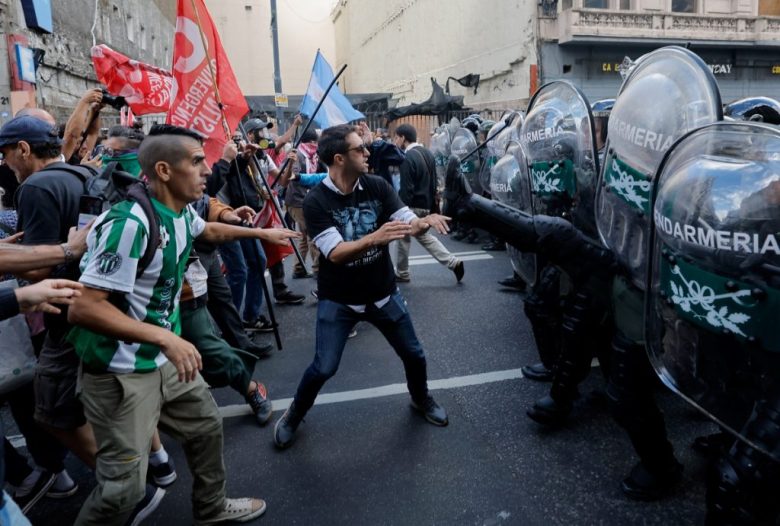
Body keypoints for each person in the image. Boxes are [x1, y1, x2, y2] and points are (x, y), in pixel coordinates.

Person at [67, 124, 299, 525]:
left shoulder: (177, 213)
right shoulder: (129, 224)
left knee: (207, 426)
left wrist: (260, 231)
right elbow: (84, 308)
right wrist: (164, 337)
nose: (207, 170)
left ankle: (210, 508)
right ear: (163, 170)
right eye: (196, 162)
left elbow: (206, 228)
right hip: (120, 374)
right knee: (123, 491)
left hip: (166, 362)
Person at [273, 124, 451, 449]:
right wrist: (375, 237)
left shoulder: (377, 185)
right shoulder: (316, 201)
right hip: (339, 300)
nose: (367, 153)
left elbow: (404, 217)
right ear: (339, 158)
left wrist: (420, 222)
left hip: (383, 294)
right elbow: (336, 253)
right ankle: (294, 414)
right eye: (360, 149)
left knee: (415, 354)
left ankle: (421, 399)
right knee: (324, 367)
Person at [392, 124, 464, 283]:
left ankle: (402, 273)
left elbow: (407, 188)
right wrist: (432, 208)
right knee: (424, 237)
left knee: (403, 239)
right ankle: (453, 262)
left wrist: (402, 209)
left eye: (396, 137)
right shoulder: (428, 154)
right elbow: (433, 183)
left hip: (411, 207)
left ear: (403, 138)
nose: (395, 141)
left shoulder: (407, 157)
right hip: (426, 205)